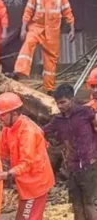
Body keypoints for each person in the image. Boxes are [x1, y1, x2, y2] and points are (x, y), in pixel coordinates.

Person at [11, 0, 75, 96]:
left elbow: (67, 12)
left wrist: (72, 30)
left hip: (52, 32)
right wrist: (23, 29)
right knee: (28, 43)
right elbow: (28, 11)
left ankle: (49, 90)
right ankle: (19, 72)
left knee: (50, 63)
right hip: (36, 27)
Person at [0, 92, 55, 220]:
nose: (0, 118)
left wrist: (7, 174)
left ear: (14, 113)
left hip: (36, 184)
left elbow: (27, 163)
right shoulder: (8, 128)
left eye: (3, 115)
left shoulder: (28, 132)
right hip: (25, 183)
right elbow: (1, 152)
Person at [43, 84, 97, 220]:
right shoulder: (57, 120)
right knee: (76, 205)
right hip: (72, 167)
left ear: (72, 99)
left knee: (89, 203)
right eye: (57, 103)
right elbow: (42, 131)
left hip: (89, 164)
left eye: (63, 102)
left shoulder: (85, 112)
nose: (60, 106)